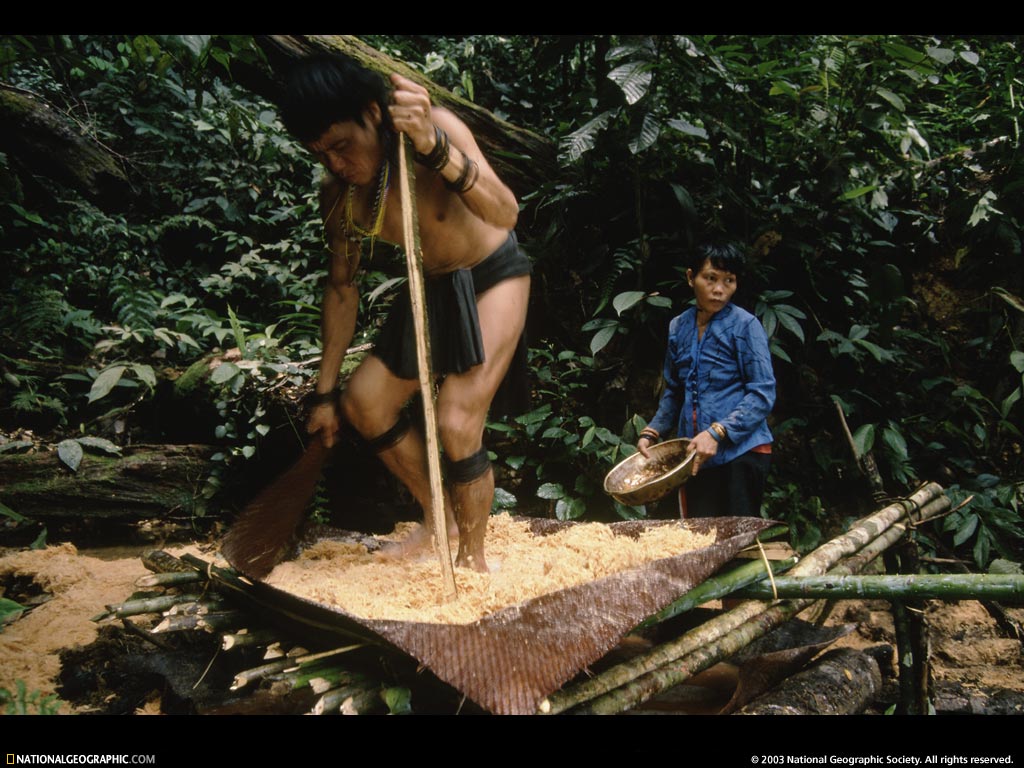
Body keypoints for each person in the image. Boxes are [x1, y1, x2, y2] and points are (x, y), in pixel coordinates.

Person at [279, 54, 531, 572]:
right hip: (431, 286)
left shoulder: (436, 128)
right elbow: (342, 289)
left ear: (372, 113)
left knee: (456, 421)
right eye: (320, 154)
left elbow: (506, 213)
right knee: (364, 402)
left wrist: (434, 148)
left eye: (342, 146)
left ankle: (473, 562)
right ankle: (441, 519)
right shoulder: (339, 197)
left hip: (492, 273)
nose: (336, 164)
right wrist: (324, 393)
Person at [637, 241, 775, 518]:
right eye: (710, 278)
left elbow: (762, 394)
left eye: (729, 280)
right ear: (691, 277)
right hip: (696, 454)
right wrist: (653, 431)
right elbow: (676, 389)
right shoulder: (679, 326)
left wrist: (717, 432)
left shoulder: (745, 326)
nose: (719, 289)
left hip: (741, 452)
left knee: (734, 537)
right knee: (697, 534)